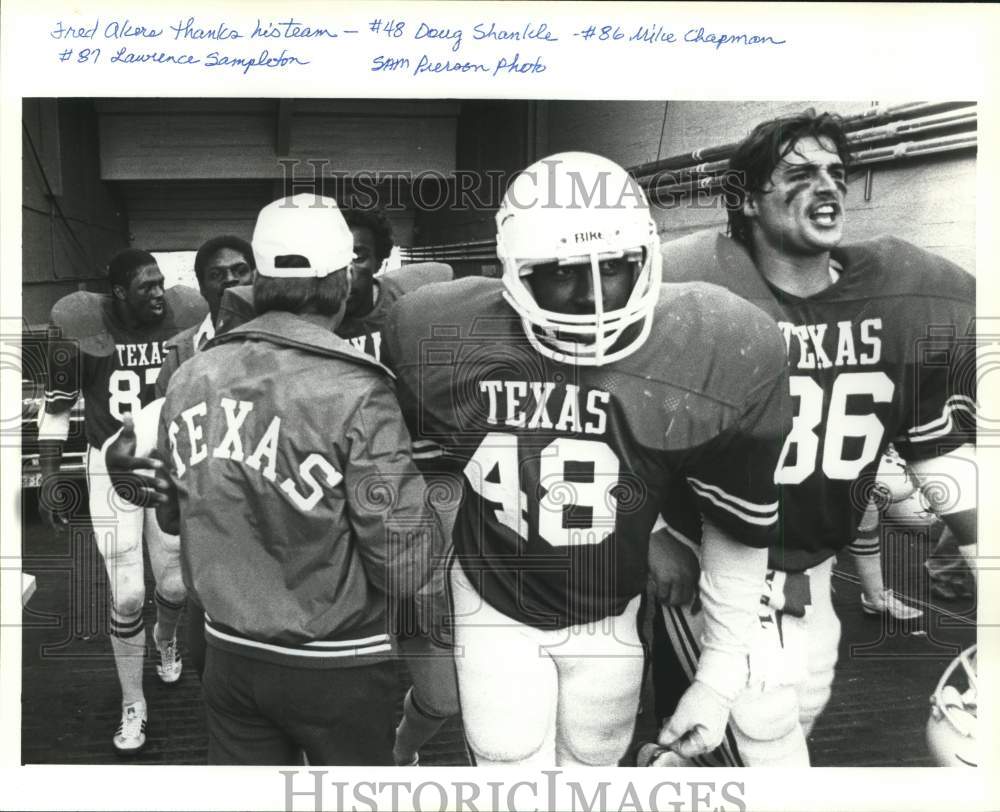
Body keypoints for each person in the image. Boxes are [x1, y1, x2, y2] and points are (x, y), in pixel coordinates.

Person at [384, 152, 793, 767]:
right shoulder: (439, 333)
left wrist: (717, 678)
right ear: (514, 273)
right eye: (564, 272)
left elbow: (737, 528)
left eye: (619, 267)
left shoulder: (720, 344)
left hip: (610, 601)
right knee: (508, 755)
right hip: (494, 592)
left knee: (596, 759)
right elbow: (434, 474)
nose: (596, 297)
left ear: (649, 257)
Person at [646, 109, 977, 767]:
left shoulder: (899, 294)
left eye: (836, 172)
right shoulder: (688, 287)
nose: (827, 186)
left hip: (814, 571)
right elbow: (608, 419)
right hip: (715, 564)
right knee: (765, 744)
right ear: (747, 199)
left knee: (790, 717)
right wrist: (652, 531)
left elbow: (938, 452)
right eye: (799, 173)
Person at [147, 193, 439, 765]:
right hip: (337, 661)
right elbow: (402, 559)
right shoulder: (356, 389)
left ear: (258, 279)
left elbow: (171, 517)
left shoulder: (190, 376)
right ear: (341, 282)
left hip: (229, 654)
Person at [37, 248, 208, 753]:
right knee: (129, 594)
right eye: (145, 286)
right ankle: (133, 701)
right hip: (109, 464)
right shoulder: (82, 327)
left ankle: (166, 639)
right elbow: (57, 409)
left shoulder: (186, 318)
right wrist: (50, 475)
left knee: (175, 586)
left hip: (166, 461)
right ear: (118, 294)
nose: (158, 293)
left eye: (160, 283)